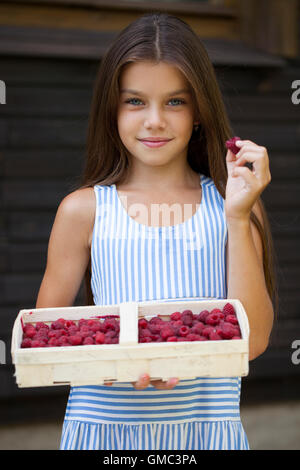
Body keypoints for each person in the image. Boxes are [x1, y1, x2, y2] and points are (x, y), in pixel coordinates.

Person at [36, 12, 277, 450]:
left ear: (200, 109)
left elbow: (254, 340)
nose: (154, 120)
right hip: (104, 434)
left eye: (175, 101)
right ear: (112, 108)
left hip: (207, 434)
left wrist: (240, 217)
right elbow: (48, 343)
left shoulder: (232, 206)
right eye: (134, 101)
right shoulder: (83, 210)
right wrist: (120, 363)